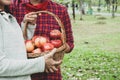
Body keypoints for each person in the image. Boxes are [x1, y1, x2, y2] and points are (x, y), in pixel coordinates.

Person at [10, 0, 74, 80]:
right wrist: (24, 24)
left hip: (50, 73)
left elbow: (69, 44)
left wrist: (57, 49)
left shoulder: (60, 10)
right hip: (22, 73)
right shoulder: (12, 7)